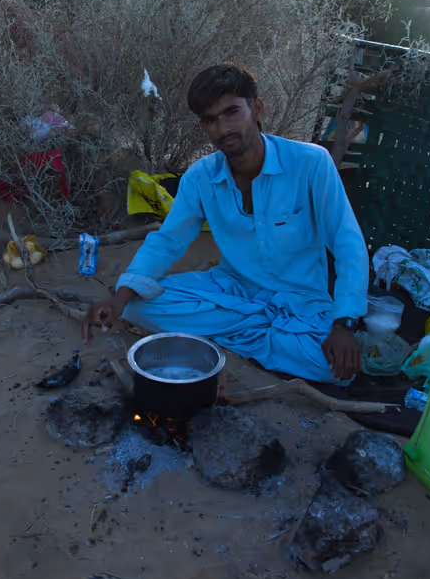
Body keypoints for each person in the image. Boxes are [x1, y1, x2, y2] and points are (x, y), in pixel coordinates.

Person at [81, 65, 369, 382]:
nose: (223, 128)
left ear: (256, 108)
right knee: (136, 307)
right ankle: (261, 336)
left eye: (231, 112)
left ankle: (230, 332)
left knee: (335, 370)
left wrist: (344, 323)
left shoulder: (312, 163)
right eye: (210, 119)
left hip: (300, 302)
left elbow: (347, 244)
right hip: (232, 288)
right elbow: (168, 242)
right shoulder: (201, 177)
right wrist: (120, 297)